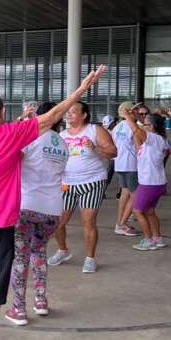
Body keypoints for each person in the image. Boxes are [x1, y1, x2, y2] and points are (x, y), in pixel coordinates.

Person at [0, 65, 105, 340]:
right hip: (0, 223)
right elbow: (55, 114)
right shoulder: (11, 134)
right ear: (2, 111)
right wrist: (83, 87)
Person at [6, 102, 69, 324]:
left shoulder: (30, 139)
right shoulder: (62, 143)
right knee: (39, 252)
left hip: (26, 205)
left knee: (21, 256)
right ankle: (41, 300)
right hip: (52, 209)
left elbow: (12, 161)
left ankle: (18, 308)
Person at [47, 101, 116, 273]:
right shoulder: (61, 135)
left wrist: (95, 148)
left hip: (92, 183)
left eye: (73, 112)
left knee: (88, 222)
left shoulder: (95, 130)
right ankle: (63, 250)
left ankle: (90, 258)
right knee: (58, 222)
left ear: (84, 115)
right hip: (66, 183)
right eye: (67, 112)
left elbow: (113, 152)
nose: (68, 115)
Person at [122, 107, 168, 251]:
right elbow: (137, 136)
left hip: (149, 183)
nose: (143, 125)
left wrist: (127, 117)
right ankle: (157, 238)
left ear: (152, 127)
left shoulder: (156, 138)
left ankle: (148, 240)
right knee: (149, 211)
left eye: (146, 124)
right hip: (154, 182)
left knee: (137, 211)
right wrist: (132, 116)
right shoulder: (150, 141)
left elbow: (138, 131)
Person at [112, 101, 149, 236]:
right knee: (135, 196)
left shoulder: (117, 127)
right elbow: (141, 147)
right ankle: (122, 224)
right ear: (128, 112)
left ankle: (120, 223)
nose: (138, 112)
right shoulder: (134, 127)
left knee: (125, 193)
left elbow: (115, 144)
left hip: (120, 164)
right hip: (132, 165)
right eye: (135, 110)